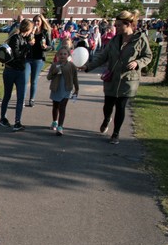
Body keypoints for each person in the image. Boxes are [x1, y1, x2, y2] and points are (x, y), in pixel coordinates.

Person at [84, 10, 153, 145]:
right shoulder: (115, 40)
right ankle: (107, 119)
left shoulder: (140, 39)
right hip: (112, 77)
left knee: (121, 106)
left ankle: (116, 133)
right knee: (108, 105)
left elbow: (148, 56)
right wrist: (88, 67)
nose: (116, 28)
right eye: (116, 25)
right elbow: (103, 56)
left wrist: (137, 63)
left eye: (119, 25)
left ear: (128, 24)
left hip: (128, 79)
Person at [0, 18, 33, 131]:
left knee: (20, 97)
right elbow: (17, 55)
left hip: (19, 70)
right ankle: (3, 118)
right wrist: (28, 46)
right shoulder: (15, 38)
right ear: (28, 29)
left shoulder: (23, 38)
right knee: (8, 95)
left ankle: (17, 121)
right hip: (12, 70)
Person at [46, 47, 80, 136]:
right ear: (57, 55)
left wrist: (77, 89)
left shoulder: (71, 66)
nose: (62, 56)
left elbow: (75, 78)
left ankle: (60, 127)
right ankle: (54, 121)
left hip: (66, 89)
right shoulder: (54, 65)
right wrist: (55, 71)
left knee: (62, 107)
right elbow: (48, 77)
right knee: (55, 106)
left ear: (68, 55)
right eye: (60, 54)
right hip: (56, 89)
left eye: (65, 54)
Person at [25, 14, 52, 107]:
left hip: (39, 59)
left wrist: (46, 47)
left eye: (38, 21)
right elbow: (24, 44)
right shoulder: (29, 31)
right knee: (25, 79)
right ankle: (22, 99)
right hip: (28, 58)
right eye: (34, 21)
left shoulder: (45, 32)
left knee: (34, 80)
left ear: (42, 22)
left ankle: (32, 99)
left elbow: (51, 46)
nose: (36, 23)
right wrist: (31, 34)